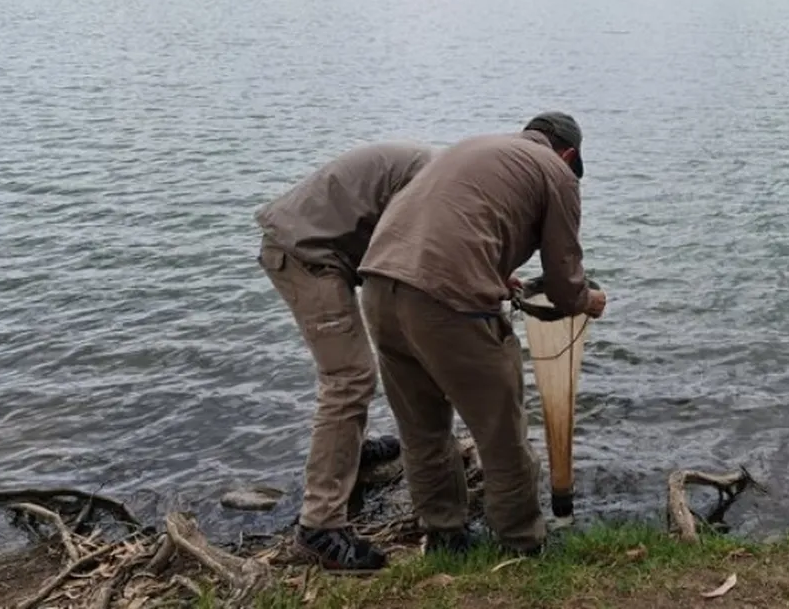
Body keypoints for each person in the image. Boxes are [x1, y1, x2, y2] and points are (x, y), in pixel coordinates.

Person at [357, 112, 607, 557]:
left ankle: (445, 536)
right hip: (447, 303)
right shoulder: (557, 173)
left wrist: (495, 275)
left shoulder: (473, 147)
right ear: (568, 154)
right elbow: (566, 285)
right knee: (501, 432)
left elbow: (453, 227)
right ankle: (523, 544)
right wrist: (589, 301)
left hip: (378, 287)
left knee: (423, 429)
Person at [254, 139, 436, 572]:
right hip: (306, 255)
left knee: (355, 369)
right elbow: (403, 260)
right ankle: (319, 526)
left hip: (319, 248)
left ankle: (347, 452)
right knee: (349, 377)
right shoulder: (427, 181)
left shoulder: (432, 171)